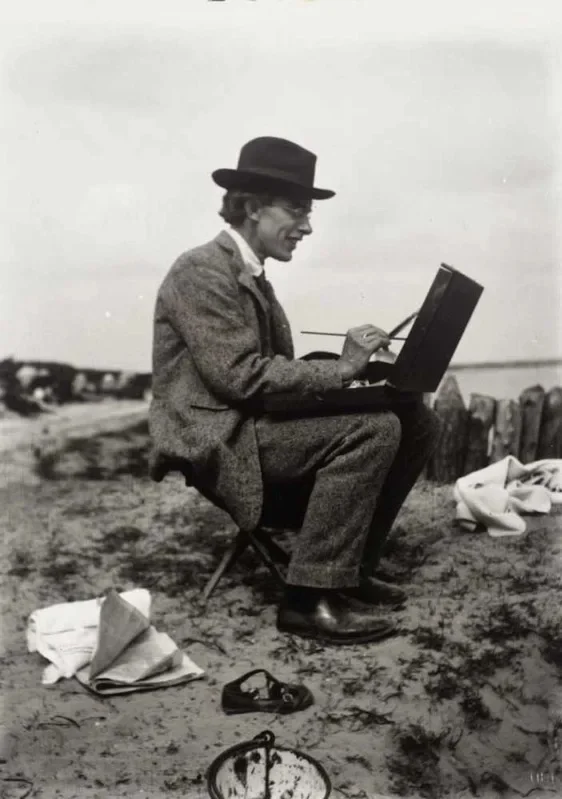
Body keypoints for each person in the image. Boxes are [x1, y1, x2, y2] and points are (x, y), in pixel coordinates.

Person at [149, 136, 440, 645]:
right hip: (217, 439)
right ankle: (308, 601)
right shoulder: (200, 270)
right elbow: (237, 376)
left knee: (416, 420)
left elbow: (267, 371)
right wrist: (342, 372)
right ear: (252, 206)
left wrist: (357, 372)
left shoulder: (251, 273)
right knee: (370, 431)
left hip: (244, 424)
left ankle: (347, 572)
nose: (306, 226)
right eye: (297, 210)